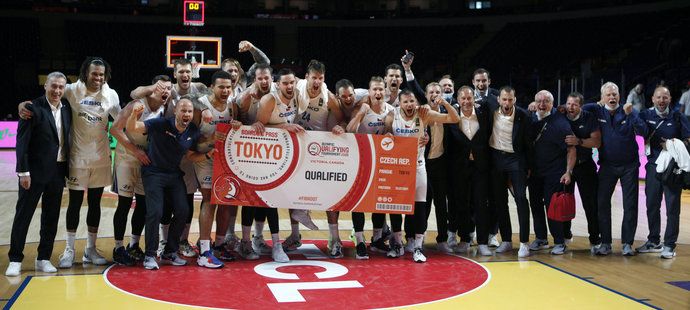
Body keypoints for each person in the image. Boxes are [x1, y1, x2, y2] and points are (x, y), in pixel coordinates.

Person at [18, 57, 122, 268]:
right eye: (94, 73)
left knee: (95, 204)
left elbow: (120, 118)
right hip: (76, 158)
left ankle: (90, 250)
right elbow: (48, 97)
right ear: (86, 72)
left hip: (101, 158)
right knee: (74, 204)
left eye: (101, 74)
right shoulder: (72, 90)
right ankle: (69, 249)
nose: (98, 77)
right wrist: (23, 104)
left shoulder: (111, 94)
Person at [130, 58, 211, 259]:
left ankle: (181, 242)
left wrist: (205, 109)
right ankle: (163, 241)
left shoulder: (199, 88)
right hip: (163, 151)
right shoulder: (168, 91)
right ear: (175, 74)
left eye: (188, 72)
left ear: (192, 73)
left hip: (186, 151)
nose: (185, 75)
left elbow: (211, 97)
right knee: (161, 206)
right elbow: (134, 94)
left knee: (186, 201)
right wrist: (153, 88)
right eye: (181, 71)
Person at [126, 98, 217, 270]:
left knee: (183, 210)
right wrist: (134, 115)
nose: (186, 114)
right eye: (183, 111)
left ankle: (170, 252)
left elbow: (190, 156)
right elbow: (133, 127)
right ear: (175, 111)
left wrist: (207, 154)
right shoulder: (161, 124)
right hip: (153, 172)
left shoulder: (192, 130)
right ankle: (150, 255)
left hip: (174, 174)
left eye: (189, 112)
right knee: (155, 212)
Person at [383, 89, 460, 262]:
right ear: (400, 103)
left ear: (416, 102)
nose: (409, 105)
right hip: (397, 167)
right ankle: (397, 244)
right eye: (406, 102)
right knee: (395, 207)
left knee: (420, 207)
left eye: (412, 101)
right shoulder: (391, 115)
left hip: (417, 166)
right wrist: (387, 134)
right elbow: (385, 135)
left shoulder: (423, 114)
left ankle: (418, 247)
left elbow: (454, 119)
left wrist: (444, 104)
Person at [6, 72, 71, 277]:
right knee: (23, 216)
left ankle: (44, 258)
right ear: (45, 86)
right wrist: (23, 172)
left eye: (61, 87)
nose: (57, 90)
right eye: (53, 86)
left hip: (57, 172)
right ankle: (15, 258)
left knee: (50, 217)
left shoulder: (67, 108)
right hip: (33, 174)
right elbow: (22, 143)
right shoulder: (32, 108)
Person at [109, 75, 170, 266]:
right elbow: (115, 130)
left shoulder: (164, 109)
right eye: (162, 89)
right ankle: (118, 247)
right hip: (127, 158)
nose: (166, 92)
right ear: (152, 89)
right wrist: (135, 150)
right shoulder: (136, 105)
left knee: (142, 204)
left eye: (169, 89)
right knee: (124, 204)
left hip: (146, 161)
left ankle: (134, 245)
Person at [250, 68, 307, 263]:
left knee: (275, 198)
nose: (289, 86)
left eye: (292, 82)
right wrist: (284, 127)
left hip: (285, 154)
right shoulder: (270, 100)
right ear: (277, 84)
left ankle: (260, 238)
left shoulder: (298, 96)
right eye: (285, 83)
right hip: (265, 154)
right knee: (268, 199)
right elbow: (257, 128)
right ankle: (274, 244)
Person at [583, 82, 647, 256]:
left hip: (629, 166)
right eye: (608, 95)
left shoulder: (629, 111)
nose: (612, 97)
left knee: (630, 205)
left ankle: (627, 243)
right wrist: (597, 104)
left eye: (615, 94)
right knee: (602, 203)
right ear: (602, 97)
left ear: (620, 95)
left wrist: (631, 115)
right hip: (607, 166)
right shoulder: (597, 110)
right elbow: (581, 107)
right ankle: (606, 243)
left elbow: (643, 130)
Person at [292, 60, 346, 258]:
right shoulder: (295, 87)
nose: (317, 81)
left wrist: (340, 127)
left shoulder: (327, 95)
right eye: (313, 77)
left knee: (328, 194)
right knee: (290, 189)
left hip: (319, 147)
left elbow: (340, 117)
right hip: (296, 144)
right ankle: (295, 234)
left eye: (320, 78)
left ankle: (334, 238)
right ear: (306, 77)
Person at [194, 70, 243, 268]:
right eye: (221, 87)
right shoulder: (201, 107)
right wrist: (210, 141)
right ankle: (204, 250)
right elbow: (192, 142)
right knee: (209, 200)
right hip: (205, 157)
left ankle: (220, 245)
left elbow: (236, 129)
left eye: (228, 87)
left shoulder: (232, 106)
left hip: (225, 159)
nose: (225, 90)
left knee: (226, 201)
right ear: (212, 87)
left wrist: (237, 126)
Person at [638, 86, 690, 259]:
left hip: (672, 169)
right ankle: (653, 241)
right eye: (659, 97)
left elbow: (688, 140)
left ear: (670, 99)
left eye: (665, 97)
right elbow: (637, 129)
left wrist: (672, 144)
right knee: (652, 205)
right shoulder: (645, 115)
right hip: (653, 166)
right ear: (652, 98)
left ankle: (669, 245)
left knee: (672, 207)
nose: (662, 100)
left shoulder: (678, 117)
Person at [346, 76, 395, 259]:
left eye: (381, 89)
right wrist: (360, 113)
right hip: (360, 160)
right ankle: (359, 240)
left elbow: (397, 135)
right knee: (358, 202)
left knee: (379, 201)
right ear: (369, 91)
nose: (378, 93)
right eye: (374, 89)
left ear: (385, 92)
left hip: (382, 161)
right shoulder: (362, 108)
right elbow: (349, 132)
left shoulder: (391, 111)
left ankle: (377, 239)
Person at [527, 90, 576, 255]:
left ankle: (560, 241)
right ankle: (541, 238)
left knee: (552, 207)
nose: (542, 104)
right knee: (535, 206)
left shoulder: (560, 123)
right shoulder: (531, 119)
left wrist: (568, 172)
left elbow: (571, 149)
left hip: (554, 173)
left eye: (546, 101)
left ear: (552, 104)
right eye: (539, 101)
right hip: (534, 173)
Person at [447, 86, 493, 256]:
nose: (466, 101)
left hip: (480, 168)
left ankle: (482, 243)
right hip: (459, 169)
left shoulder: (484, 114)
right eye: (463, 99)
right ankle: (465, 239)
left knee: (481, 205)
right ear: (457, 100)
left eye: (469, 98)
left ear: (474, 99)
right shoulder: (451, 117)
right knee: (462, 205)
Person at [488, 86, 533, 258]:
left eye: (510, 99)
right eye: (504, 99)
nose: (507, 102)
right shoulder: (490, 110)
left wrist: (529, 166)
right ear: (498, 99)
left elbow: (529, 144)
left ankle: (524, 243)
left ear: (515, 100)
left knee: (521, 198)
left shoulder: (523, 116)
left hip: (516, 160)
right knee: (500, 201)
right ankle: (506, 240)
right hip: (497, 159)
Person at [563, 92, 602, 253]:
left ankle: (595, 239)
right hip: (564, 167)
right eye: (568, 103)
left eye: (575, 104)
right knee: (564, 203)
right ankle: (564, 236)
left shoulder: (589, 118)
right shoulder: (560, 115)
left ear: (581, 106)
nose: (570, 107)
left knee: (590, 204)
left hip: (585, 165)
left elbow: (597, 142)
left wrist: (579, 141)